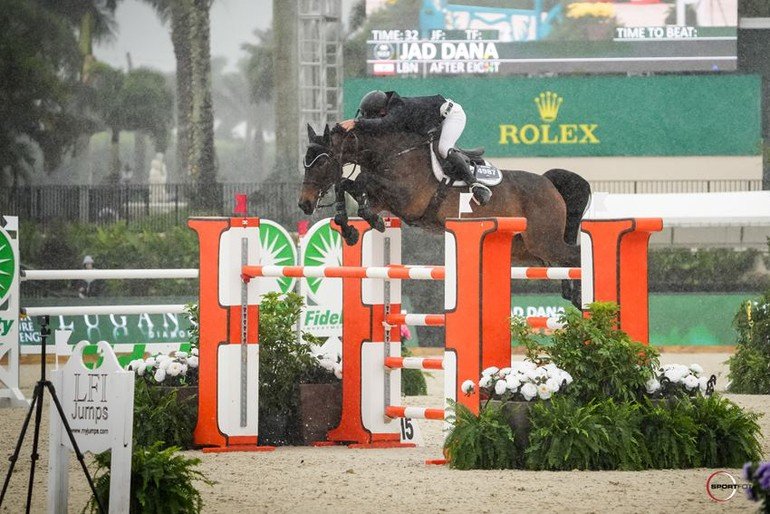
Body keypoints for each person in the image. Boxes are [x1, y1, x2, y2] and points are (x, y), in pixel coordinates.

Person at [339, 90, 492, 205]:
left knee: (444, 148)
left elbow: (383, 124)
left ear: (382, 111)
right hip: (435, 120)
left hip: (452, 115)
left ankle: (475, 185)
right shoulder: (391, 109)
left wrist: (357, 123)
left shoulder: (398, 110)